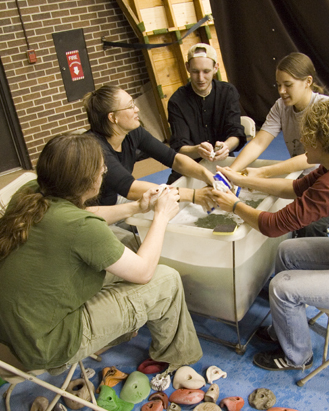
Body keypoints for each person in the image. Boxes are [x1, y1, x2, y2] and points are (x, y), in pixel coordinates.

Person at [212, 94, 329, 372]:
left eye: (307, 137)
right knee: (288, 251)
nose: (302, 143)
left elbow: (272, 225)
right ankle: (285, 327)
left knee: (282, 287)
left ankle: (297, 357)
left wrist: (234, 205)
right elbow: (294, 188)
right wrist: (243, 180)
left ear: (323, 141)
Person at [0, 133, 203, 373]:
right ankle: (176, 359)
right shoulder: (80, 226)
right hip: (47, 345)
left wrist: (137, 206)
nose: (104, 170)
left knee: (127, 243)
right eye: (101, 167)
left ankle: (126, 325)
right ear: (87, 181)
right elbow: (144, 272)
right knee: (166, 279)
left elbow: (85, 215)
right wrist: (161, 216)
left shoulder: (32, 191)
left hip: (13, 331)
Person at [229, 52, 329, 236]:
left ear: (308, 81)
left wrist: (262, 173)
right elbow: (259, 142)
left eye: (288, 85)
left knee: (306, 225)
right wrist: (230, 172)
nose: (281, 91)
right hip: (300, 180)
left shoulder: (326, 108)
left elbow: (311, 158)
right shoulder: (281, 106)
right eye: (278, 85)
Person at [83, 84, 217, 211]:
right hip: (92, 214)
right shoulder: (94, 149)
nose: (137, 109)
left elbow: (173, 159)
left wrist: (208, 175)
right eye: (130, 106)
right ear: (113, 117)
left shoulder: (132, 132)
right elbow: (131, 188)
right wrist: (194, 195)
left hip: (115, 200)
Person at [166, 43, 246, 184]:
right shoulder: (177, 101)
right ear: (187, 67)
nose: (201, 78)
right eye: (195, 71)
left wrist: (226, 146)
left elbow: (236, 132)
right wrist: (197, 150)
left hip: (222, 162)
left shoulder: (228, 93)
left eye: (206, 71)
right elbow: (179, 147)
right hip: (190, 164)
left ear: (216, 68)